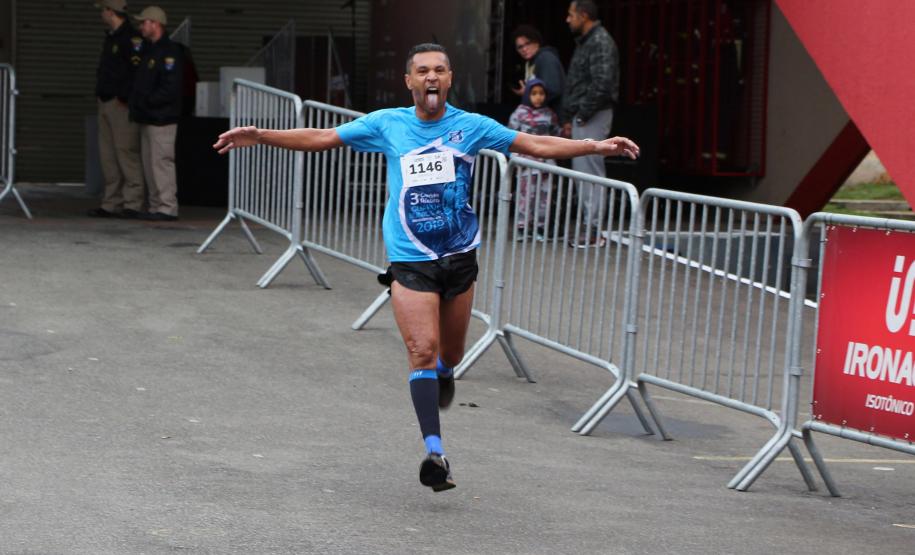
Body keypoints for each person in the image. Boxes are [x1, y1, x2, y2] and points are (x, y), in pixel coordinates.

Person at [212, 43, 639, 492]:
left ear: (449, 79)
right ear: (409, 81)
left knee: (448, 354)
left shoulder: (471, 127)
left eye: (439, 70)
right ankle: (435, 453)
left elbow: (534, 143)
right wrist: (262, 136)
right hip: (409, 258)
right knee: (421, 348)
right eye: (422, 71)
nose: (431, 77)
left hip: (458, 257)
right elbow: (322, 138)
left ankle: (446, 373)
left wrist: (595, 144)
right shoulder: (388, 124)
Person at [561, 0, 620, 247]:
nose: (567, 19)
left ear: (583, 15)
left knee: (589, 173)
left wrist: (582, 114)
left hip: (591, 115)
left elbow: (602, 84)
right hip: (585, 115)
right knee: (584, 172)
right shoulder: (590, 41)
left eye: (571, 14)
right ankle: (590, 228)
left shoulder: (599, 42)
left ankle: (594, 232)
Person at [89, 0, 145, 219]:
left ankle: (132, 203)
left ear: (110, 11)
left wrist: (125, 97)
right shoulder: (111, 37)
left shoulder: (131, 38)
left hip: (120, 104)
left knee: (126, 152)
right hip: (105, 101)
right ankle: (111, 202)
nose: (101, 14)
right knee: (108, 156)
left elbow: (136, 71)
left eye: (103, 10)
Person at [129, 5, 183, 221]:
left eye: (144, 22)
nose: (141, 27)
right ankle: (155, 206)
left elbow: (170, 88)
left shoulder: (170, 52)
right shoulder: (149, 50)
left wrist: (148, 103)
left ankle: (167, 207)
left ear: (155, 24)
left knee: (161, 163)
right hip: (148, 117)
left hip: (162, 118)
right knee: (150, 164)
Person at [508, 78, 561, 240]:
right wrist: (515, 158)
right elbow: (510, 135)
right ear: (527, 95)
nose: (538, 97)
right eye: (534, 93)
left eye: (541, 94)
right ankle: (522, 226)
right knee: (526, 195)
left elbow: (556, 134)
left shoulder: (549, 114)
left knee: (544, 197)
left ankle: (540, 227)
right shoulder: (519, 113)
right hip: (526, 163)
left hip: (546, 163)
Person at [510, 25, 566, 113]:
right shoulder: (530, 62)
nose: (524, 49)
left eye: (527, 43)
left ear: (537, 42)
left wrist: (527, 93)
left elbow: (553, 89)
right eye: (520, 47)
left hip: (553, 118)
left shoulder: (545, 58)